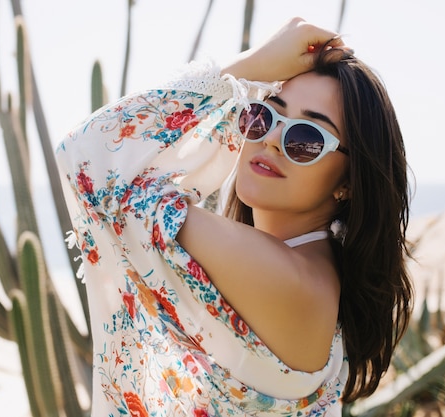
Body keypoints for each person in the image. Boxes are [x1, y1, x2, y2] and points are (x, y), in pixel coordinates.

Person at [56, 17, 413, 416]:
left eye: (307, 138)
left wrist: (245, 66)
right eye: (262, 115)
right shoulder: (315, 269)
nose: (273, 139)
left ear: (347, 182)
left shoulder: (290, 277)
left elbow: (89, 157)